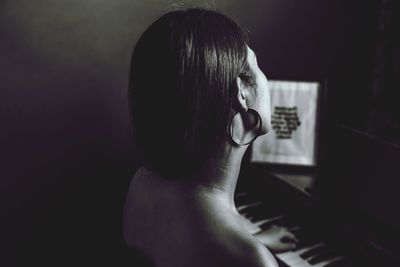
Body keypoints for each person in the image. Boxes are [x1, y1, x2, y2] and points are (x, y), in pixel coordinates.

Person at [123, 8, 297, 267]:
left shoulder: (144, 183)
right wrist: (251, 249)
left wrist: (254, 240)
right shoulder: (251, 260)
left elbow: (184, 246)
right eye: (257, 65)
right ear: (241, 93)